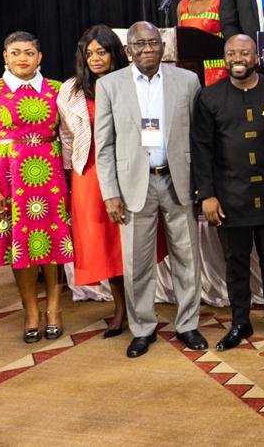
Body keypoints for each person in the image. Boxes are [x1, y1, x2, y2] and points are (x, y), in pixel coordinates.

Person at [94, 21, 206, 357]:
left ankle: (188, 324)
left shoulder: (187, 81)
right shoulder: (109, 85)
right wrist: (110, 193)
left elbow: (199, 138)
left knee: (188, 259)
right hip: (133, 186)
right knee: (137, 263)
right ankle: (143, 328)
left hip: (178, 180)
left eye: (153, 42)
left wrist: (202, 185)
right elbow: (104, 145)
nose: (147, 49)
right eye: (140, 44)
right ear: (128, 50)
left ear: (163, 46)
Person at [191, 34, 264, 350]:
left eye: (245, 53)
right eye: (231, 53)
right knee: (235, 261)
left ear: (256, 57)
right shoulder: (209, 96)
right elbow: (201, 149)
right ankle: (240, 322)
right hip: (229, 197)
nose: (238, 58)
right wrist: (206, 195)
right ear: (224, 58)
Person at [0, 32, 72, 343]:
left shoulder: (58, 89)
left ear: (39, 57)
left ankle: (55, 309)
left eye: (29, 52)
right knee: (21, 246)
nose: (22, 58)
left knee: (54, 242)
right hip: (10, 181)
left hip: (52, 179)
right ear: (5, 56)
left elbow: (71, 135)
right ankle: (31, 310)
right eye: (15, 52)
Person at [57, 25, 135, 338]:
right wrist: (69, 176)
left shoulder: (131, 82)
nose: (95, 59)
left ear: (115, 53)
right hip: (88, 174)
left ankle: (138, 305)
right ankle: (121, 308)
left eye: (101, 51)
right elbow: (66, 136)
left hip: (128, 169)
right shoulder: (71, 90)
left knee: (129, 241)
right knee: (105, 244)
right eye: (89, 53)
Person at [177, 0, 228, 86]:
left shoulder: (219, 1)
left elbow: (229, 33)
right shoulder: (182, 5)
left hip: (216, 68)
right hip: (190, 70)